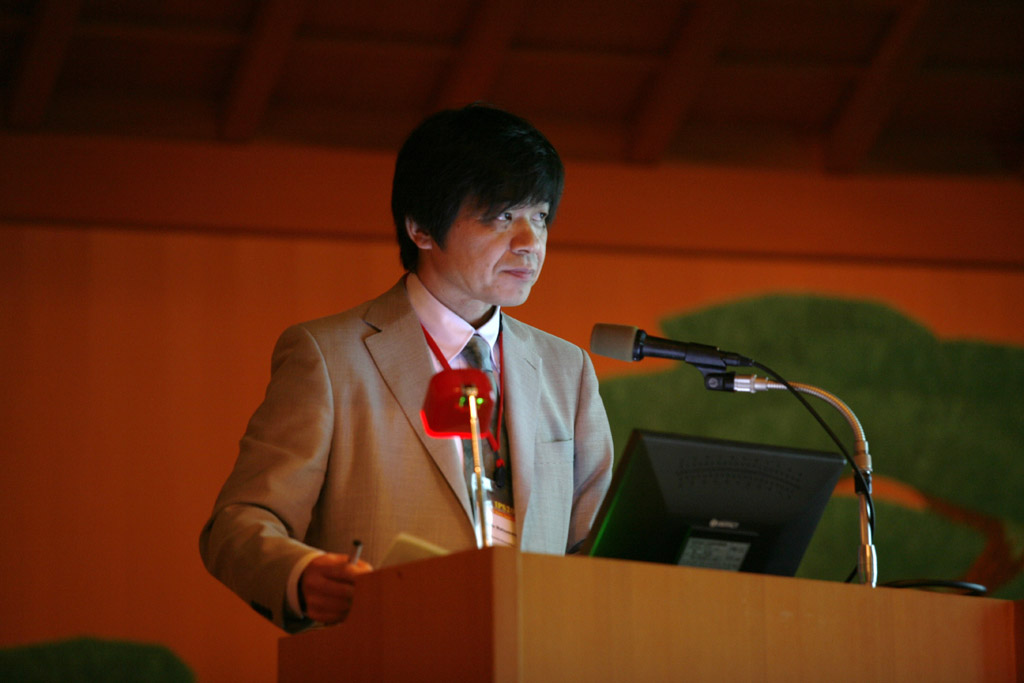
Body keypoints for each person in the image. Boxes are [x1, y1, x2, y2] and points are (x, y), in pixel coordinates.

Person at [199, 104, 614, 632]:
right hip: (388, 647)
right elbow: (238, 524)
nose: (530, 243)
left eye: (540, 216)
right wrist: (300, 575)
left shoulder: (567, 368)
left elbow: (598, 545)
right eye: (501, 216)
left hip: (536, 652)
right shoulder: (328, 356)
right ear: (420, 228)